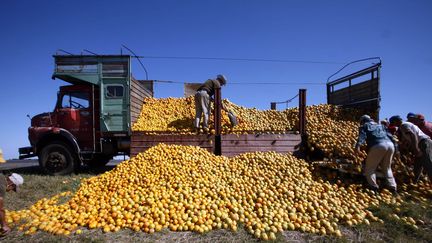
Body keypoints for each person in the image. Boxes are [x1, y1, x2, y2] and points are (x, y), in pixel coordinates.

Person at [355, 115, 398, 193]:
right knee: (387, 168)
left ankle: (373, 187)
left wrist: (358, 146)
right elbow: (391, 137)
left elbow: (362, 136)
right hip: (390, 145)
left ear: (363, 121)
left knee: (370, 168)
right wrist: (396, 150)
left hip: (378, 145)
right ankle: (393, 188)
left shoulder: (364, 126)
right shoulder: (381, 125)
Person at [390, 115, 432, 183]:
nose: (394, 125)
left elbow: (413, 135)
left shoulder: (404, 125)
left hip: (424, 143)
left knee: (428, 164)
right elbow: (408, 140)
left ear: (396, 121)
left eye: (393, 123)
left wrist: (416, 148)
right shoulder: (404, 126)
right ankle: (415, 183)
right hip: (421, 143)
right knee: (417, 165)